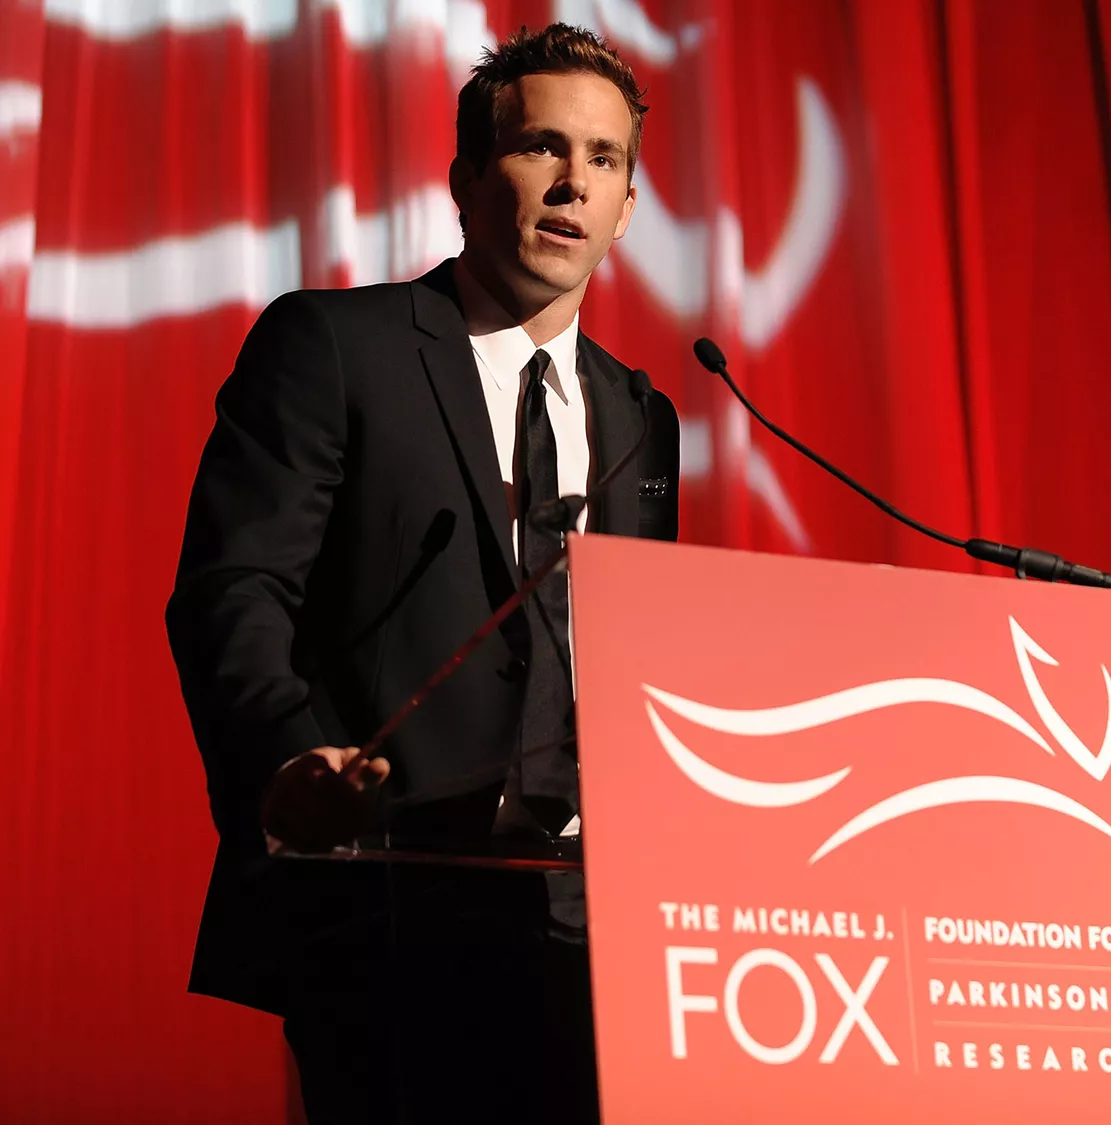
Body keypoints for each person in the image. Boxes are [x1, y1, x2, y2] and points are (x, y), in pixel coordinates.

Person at [165, 23, 677, 1124]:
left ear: (628, 206)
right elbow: (234, 589)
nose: (571, 183)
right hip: (390, 902)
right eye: (541, 146)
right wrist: (284, 760)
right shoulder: (335, 346)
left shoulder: (644, 414)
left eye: (603, 160)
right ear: (464, 179)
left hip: (598, 928)